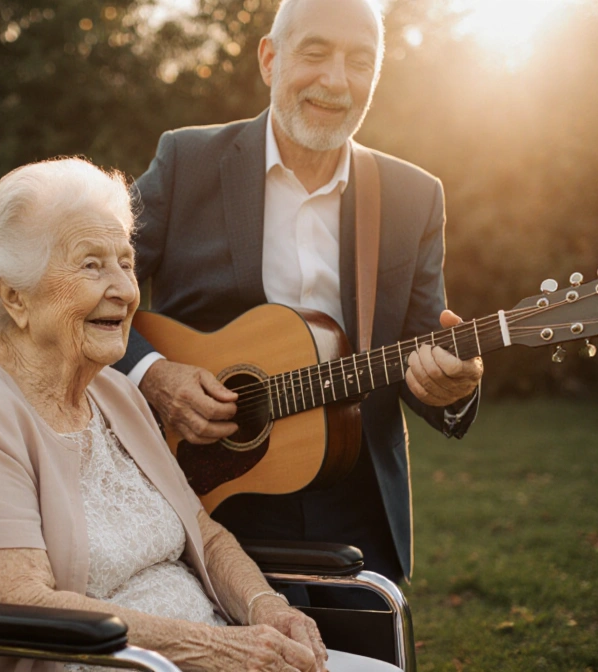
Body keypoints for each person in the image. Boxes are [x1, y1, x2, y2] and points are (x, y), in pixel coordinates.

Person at [0, 158, 401, 672]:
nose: (124, 289)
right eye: (91, 265)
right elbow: (21, 602)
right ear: (15, 297)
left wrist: (266, 608)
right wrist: (218, 650)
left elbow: (205, 535)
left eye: (125, 262)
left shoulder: (116, 393)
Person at [115, 0, 484, 584]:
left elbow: (421, 357)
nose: (336, 81)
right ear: (269, 58)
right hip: (195, 486)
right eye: (315, 53)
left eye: (359, 62)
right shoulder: (187, 161)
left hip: (353, 502)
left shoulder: (415, 197)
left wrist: (452, 389)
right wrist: (153, 374)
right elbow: (88, 287)